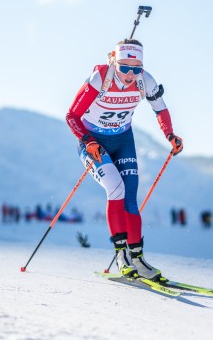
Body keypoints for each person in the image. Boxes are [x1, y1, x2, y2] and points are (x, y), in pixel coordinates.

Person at [66, 39, 183, 280]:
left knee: (130, 197)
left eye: (136, 68)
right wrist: (88, 140)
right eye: (125, 68)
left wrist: (170, 134)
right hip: (93, 143)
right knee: (115, 189)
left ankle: (138, 259)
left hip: (123, 141)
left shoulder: (144, 80)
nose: (131, 74)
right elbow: (72, 116)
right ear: (114, 62)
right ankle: (121, 257)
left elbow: (160, 109)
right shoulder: (100, 77)